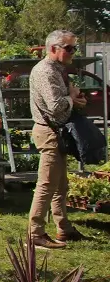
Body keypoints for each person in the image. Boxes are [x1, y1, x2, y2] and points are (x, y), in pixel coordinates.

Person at [28, 30, 86, 250]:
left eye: (74, 48)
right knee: (46, 185)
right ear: (53, 48)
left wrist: (74, 99)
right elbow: (54, 107)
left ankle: (64, 228)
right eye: (69, 48)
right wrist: (70, 98)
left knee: (60, 185)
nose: (73, 52)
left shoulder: (57, 70)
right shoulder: (45, 71)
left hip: (57, 131)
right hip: (49, 132)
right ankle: (35, 234)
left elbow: (61, 102)